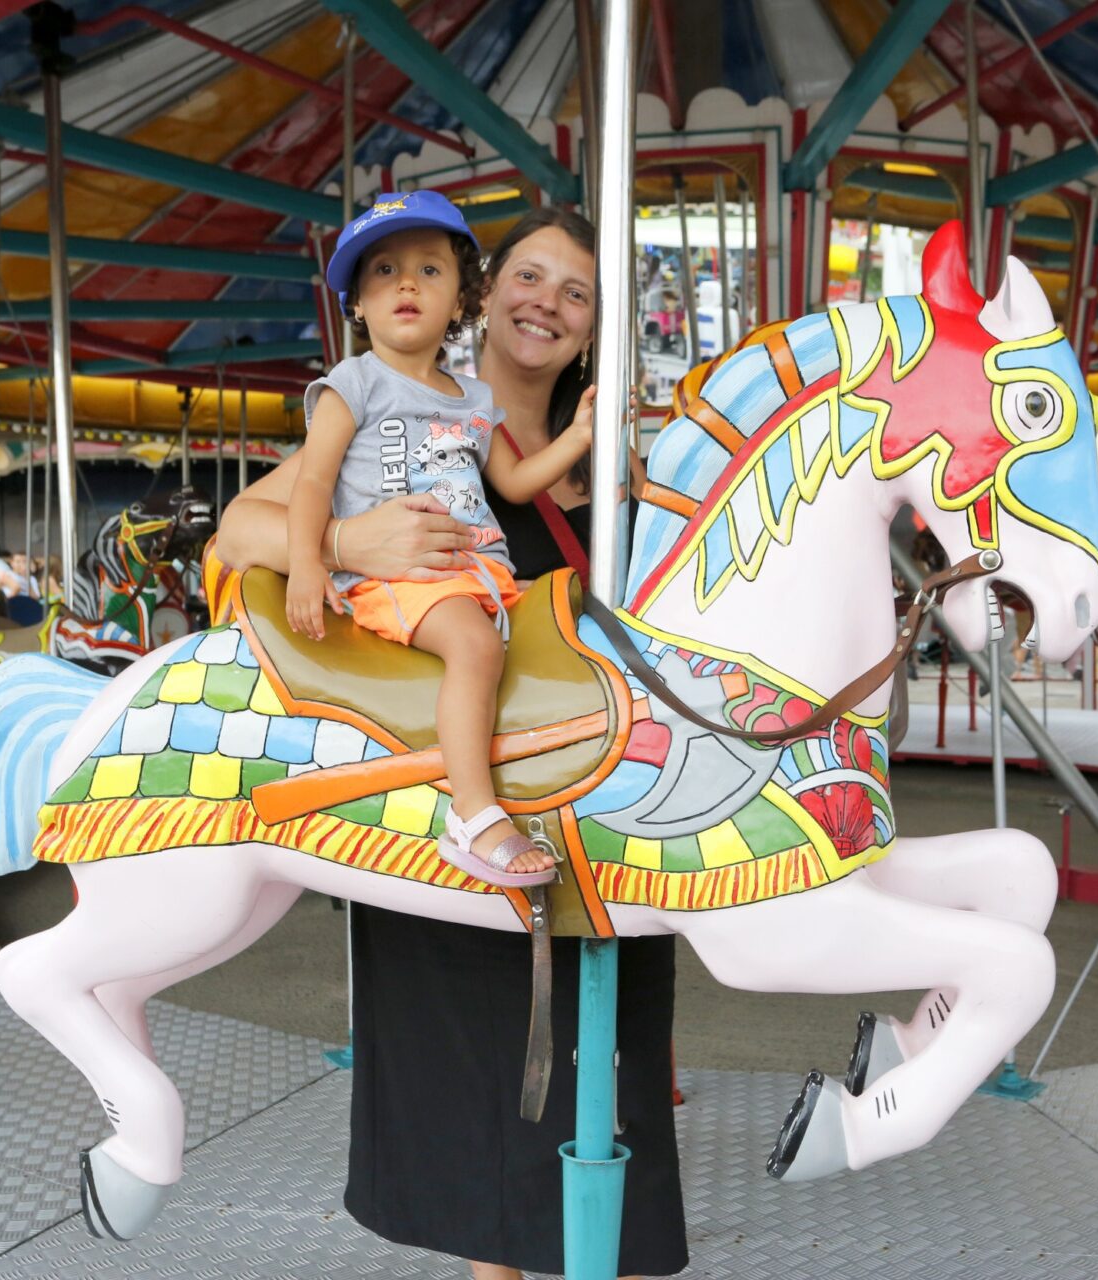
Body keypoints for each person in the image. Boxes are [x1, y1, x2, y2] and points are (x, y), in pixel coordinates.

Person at [216, 205, 686, 1280]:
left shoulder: (600, 465)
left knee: (602, 1066)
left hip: (593, 801)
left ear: (595, 325)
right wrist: (349, 540)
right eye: (531, 275)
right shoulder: (388, 409)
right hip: (455, 796)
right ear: (489, 289)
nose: (547, 304)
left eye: (576, 293)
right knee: (473, 1076)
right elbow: (241, 528)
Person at [286, 191, 594, 886]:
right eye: (385, 271)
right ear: (357, 304)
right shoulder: (353, 385)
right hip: (403, 579)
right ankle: (474, 816)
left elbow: (514, 483)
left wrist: (579, 437)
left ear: (461, 299)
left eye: (429, 270)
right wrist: (309, 561)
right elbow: (310, 483)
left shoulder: (472, 400)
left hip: (474, 574)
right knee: (476, 647)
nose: (406, 284)